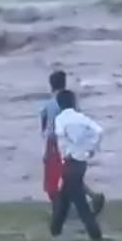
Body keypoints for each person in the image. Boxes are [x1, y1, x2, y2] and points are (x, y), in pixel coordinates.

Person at [40, 70, 105, 216]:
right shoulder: (71, 102)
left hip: (55, 144)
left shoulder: (49, 105)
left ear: (51, 85)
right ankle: (91, 197)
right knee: (70, 175)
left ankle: (60, 209)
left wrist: (46, 151)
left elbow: (47, 129)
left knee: (55, 178)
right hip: (73, 141)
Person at [50, 90, 104, 241]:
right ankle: (55, 231)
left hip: (69, 162)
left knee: (80, 203)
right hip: (81, 162)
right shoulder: (82, 118)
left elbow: (59, 136)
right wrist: (92, 148)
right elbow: (99, 131)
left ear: (59, 105)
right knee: (65, 198)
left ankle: (95, 236)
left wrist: (64, 153)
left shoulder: (60, 119)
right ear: (74, 102)